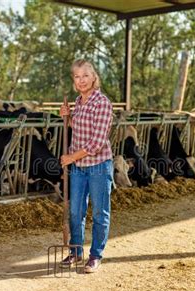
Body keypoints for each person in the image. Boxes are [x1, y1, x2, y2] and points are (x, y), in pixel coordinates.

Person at [59, 59, 114, 273]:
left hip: (98, 165)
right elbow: (79, 128)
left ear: (94, 77)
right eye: (77, 77)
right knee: (75, 211)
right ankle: (75, 251)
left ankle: (95, 255)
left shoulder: (102, 103)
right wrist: (68, 117)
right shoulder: (78, 101)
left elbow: (96, 142)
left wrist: (71, 157)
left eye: (85, 76)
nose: (81, 80)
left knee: (100, 212)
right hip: (79, 167)